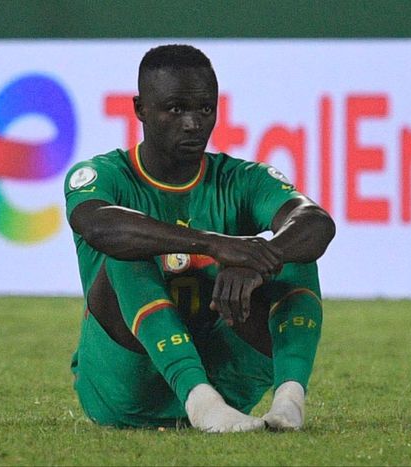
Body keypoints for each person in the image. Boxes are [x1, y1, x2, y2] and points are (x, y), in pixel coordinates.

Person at [64, 44, 335, 433]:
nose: (193, 123)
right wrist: (214, 245)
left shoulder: (241, 179)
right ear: (140, 108)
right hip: (125, 388)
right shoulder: (104, 174)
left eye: (205, 109)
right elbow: (98, 226)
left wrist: (259, 263)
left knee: (294, 252)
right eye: (175, 109)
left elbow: (316, 222)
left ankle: (289, 399)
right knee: (128, 252)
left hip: (226, 382)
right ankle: (199, 401)